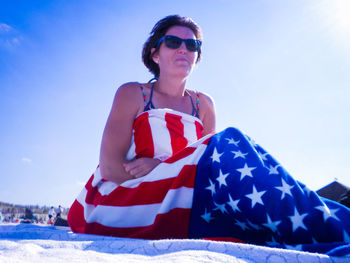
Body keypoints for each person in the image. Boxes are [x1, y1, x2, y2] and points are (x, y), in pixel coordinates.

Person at [68, 15, 350, 255]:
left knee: (244, 169)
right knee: (228, 142)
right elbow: (111, 168)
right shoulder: (133, 93)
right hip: (132, 198)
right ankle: (333, 226)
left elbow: (210, 169)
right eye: (173, 42)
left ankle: (331, 224)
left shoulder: (204, 104)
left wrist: (161, 166)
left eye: (192, 45)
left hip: (189, 194)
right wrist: (160, 173)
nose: (183, 49)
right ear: (155, 53)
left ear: (197, 56)